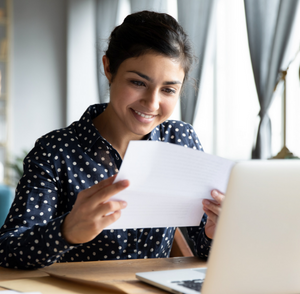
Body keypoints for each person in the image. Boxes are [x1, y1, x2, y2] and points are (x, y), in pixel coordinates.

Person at [0, 10, 224, 269]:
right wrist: (65, 232)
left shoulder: (180, 140)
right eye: (138, 82)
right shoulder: (56, 150)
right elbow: (7, 249)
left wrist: (214, 232)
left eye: (168, 89)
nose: (152, 103)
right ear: (108, 68)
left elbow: (204, 249)